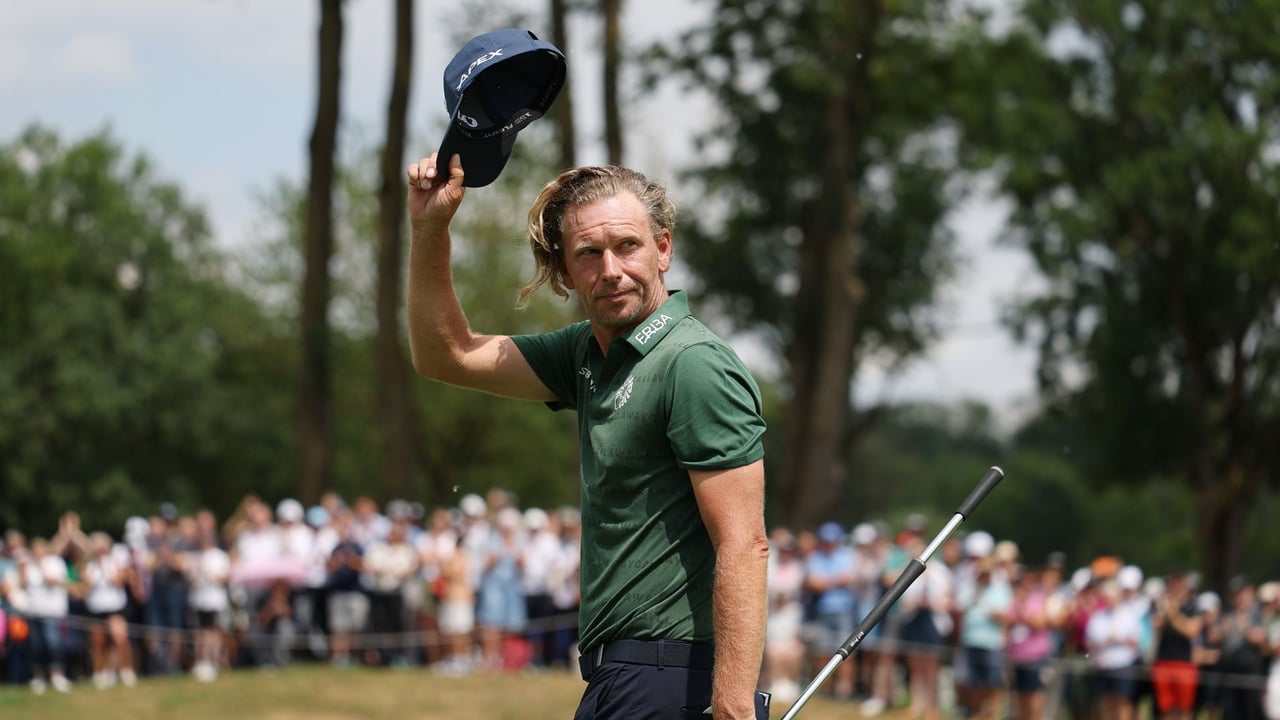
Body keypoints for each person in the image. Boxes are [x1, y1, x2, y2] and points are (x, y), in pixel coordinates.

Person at [405, 157, 769, 719]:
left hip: (673, 678)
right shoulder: (586, 353)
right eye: (589, 254)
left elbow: (744, 543)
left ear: (663, 249)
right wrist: (430, 228)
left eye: (627, 246)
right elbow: (445, 355)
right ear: (565, 272)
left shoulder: (694, 363)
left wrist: (735, 707)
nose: (611, 270)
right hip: (617, 676)